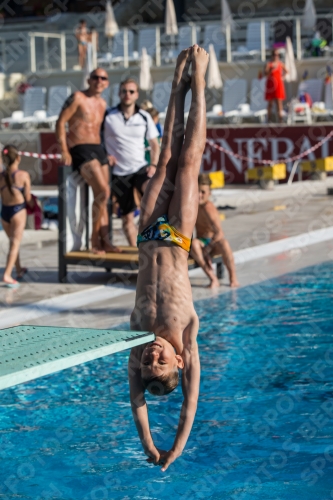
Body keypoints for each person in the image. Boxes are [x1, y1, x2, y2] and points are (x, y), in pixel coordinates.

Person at [128, 45, 209, 471]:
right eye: (160, 362)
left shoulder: (138, 338)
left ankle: (178, 82)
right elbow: (190, 404)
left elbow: (137, 400)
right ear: (178, 362)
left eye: (148, 363)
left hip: (146, 234)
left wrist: (147, 444)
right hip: (177, 235)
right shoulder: (188, 343)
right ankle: (199, 80)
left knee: (165, 157)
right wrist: (173, 449)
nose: (151, 357)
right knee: (189, 162)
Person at [56, 68, 120, 254]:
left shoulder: (102, 103)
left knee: (105, 197)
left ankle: (105, 241)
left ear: (107, 83)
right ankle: (94, 240)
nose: (99, 81)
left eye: (103, 78)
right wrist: (64, 150)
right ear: (89, 80)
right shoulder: (77, 98)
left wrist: (107, 153)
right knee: (103, 191)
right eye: (95, 77)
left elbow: (100, 131)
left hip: (98, 149)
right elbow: (60, 122)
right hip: (80, 148)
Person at [102, 78, 160, 246]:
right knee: (127, 218)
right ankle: (138, 256)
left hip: (140, 168)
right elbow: (96, 138)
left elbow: (154, 144)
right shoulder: (108, 115)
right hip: (119, 172)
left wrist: (154, 165)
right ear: (119, 94)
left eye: (131, 91)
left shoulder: (144, 116)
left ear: (137, 95)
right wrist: (105, 154)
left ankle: (158, 242)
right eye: (124, 91)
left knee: (152, 196)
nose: (127, 94)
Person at [190, 173, 239, 289]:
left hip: (212, 242)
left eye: (203, 192)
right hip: (202, 242)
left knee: (225, 243)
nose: (199, 195)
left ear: (209, 193)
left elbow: (220, 233)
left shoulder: (208, 208)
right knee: (194, 244)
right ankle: (213, 279)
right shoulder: (193, 207)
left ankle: (233, 278)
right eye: (197, 191)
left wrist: (207, 250)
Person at [0, 145, 33, 287]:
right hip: (18, 211)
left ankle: (19, 269)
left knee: (14, 242)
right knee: (15, 244)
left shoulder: (1, 176)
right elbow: (28, 198)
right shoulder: (23, 175)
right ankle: (7, 275)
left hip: (5, 213)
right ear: (18, 158)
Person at [264, 49, 288, 123]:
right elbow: (265, 74)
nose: (276, 56)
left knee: (279, 102)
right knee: (270, 103)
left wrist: (282, 77)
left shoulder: (280, 64)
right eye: (274, 55)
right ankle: (268, 118)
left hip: (278, 85)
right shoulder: (269, 64)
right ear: (272, 56)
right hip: (271, 85)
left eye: (277, 55)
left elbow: (286, 71)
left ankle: (280, 119)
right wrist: (271, 70)